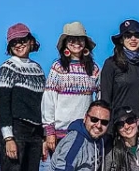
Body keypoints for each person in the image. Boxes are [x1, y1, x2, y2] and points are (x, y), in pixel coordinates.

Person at [0, 23, 47, 171]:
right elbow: (3, 106)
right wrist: (8, 137)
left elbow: (44, 106)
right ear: (10, 46)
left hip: (36, 130)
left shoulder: (37, 69)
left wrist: (45, 136)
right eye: (15, 42)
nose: (19, 45)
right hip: (14, 129)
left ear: (31, 42)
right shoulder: (7, 68)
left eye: (23, 40)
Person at [43, 21, 100, 153]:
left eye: (80, 39)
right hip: (60, 133)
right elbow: (48, 100)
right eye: (71, 39)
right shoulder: (58, 67)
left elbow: (100, 98)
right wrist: (49, 131)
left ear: (85, 42)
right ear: (65, 43)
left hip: (86, 131)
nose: (76, 43)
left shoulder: (94, 69)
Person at [100, 19, 139, 135]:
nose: (133, 39)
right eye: (128, 35)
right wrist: (108, 132)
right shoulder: (110, 64)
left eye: (137, 35)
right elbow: (105, 100)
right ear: (121, 40)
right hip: (119, 129)